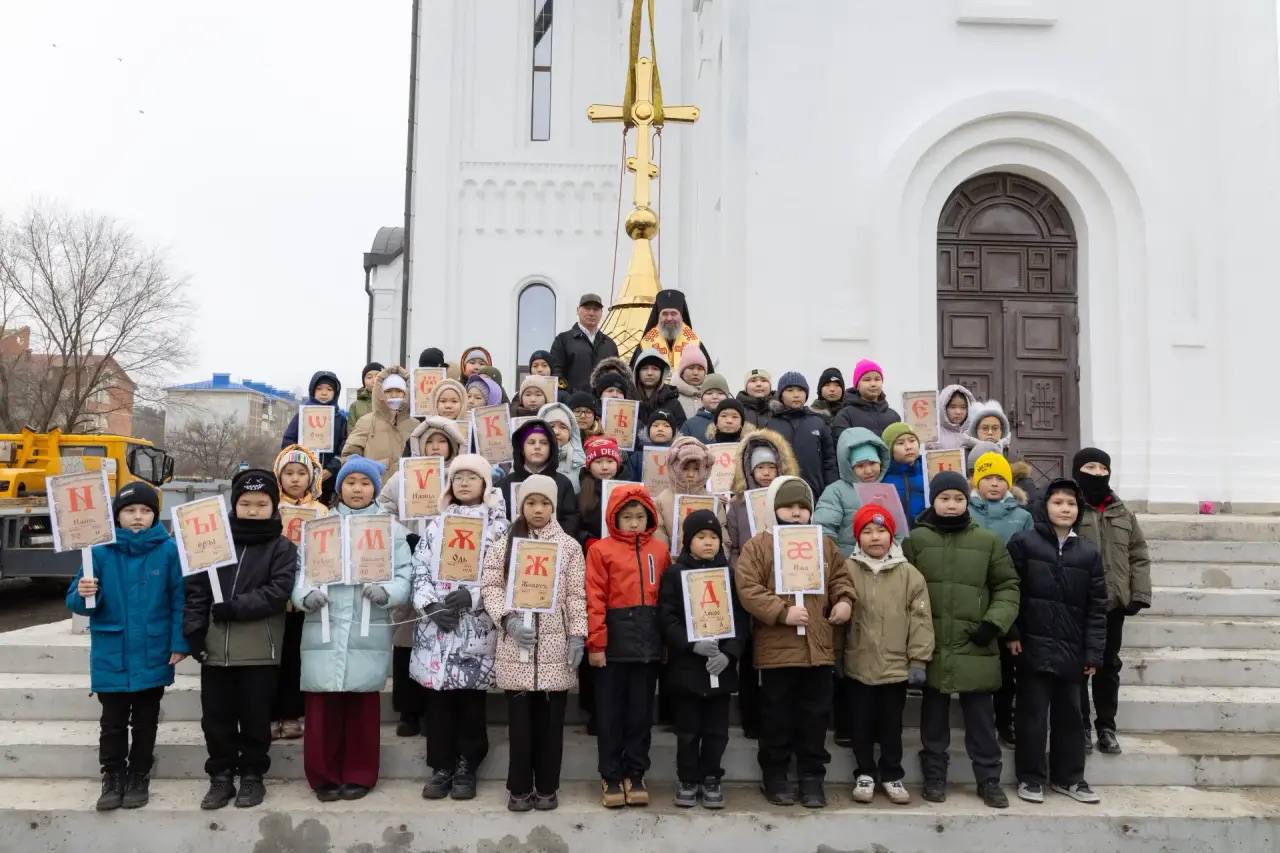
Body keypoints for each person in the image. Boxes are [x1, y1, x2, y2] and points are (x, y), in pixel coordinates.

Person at [292, 455, 412, 802]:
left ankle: (360, 773)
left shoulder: (388, 528)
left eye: (364, 483)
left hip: (366, 622)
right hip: (324, 624)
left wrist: (388, 592)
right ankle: (323, 776)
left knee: (361, 704)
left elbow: (405, 572)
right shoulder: (319, 526)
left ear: (374, 488)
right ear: (339, 487)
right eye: (350, 482)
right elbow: (301, 571)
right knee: (322, 704)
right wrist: (304, 595)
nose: (357, 489)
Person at [65, 482, 188, 812]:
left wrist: (179, 642)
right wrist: (86, 591)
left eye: (146, 511)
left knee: (146, 719)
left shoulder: (169, 550)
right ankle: (113, 775)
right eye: (130, 511)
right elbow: (78, 604)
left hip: (153, 650)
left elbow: (180, 599)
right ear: (117, 516)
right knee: (113, 720)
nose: (137, 517)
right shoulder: (98, 551)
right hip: (112, 652)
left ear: (155, 515)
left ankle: (139, 775)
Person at [734, 476, 855, 808]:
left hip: (818, 650)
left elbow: (841, 578)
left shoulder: (824, 545)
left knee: (815, 717)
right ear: (774, 509)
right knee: (777, 717)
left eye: (803, 507)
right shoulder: (759, 545)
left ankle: (812, 777)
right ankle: (775, 776)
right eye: (788, 506)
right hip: (777, 652)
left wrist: (844, 601)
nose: (796, 513)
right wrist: (782, 612)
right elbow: (748, 587)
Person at [903, 471, 1020, 809]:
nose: (951, 505)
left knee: (981, 720)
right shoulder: (915, 541)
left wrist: (993, 624)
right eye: (944, 499)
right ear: (933, 501)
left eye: (958, 499)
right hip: (933, 644)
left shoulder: (987, 542)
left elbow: (1007, 587)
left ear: (967, 501)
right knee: (933, 718)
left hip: (976, 645)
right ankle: (935, 777)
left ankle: (989, 780)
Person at [183, 469, 297, 810]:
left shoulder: (282, 547)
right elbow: (196, 589)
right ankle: (220, 776)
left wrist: (236, 607)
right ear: (234, 505)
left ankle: (251, 775)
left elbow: (278, 591)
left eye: (261, 504)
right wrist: (193, 630)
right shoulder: (213, 542)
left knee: (254, 716)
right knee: (215, 718)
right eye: (245, 503)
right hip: (217, 648)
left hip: (260, 649)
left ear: (273, 507)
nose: (252, 510)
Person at [481, 475, 588, 812]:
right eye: (531, 503)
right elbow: (491, 587)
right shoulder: (505, 544)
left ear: (554, 506)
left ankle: (546, 786)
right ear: (521, 505)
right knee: (521, 727)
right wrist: (508, 620)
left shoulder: (569, 546)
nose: (538, 510)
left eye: (544, 503)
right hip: (518, 648)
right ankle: (519, 787)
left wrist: (577, 635)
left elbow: (575, 595)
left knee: (551, 726)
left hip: (555, 649)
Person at [413, 454, 510, 801]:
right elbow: (420, 568)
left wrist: (473, 597)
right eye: (458, 478)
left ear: (486, 484)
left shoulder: (500, 527)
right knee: (438, 703)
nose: (464, 483)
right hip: (438, 628)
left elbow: (502, 574)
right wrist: (429, 605)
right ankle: (441, 766)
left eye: (472, 477)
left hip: (475, 628)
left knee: (470, 702)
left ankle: (468, 763)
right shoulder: (437, 524)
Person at [1007, 479, 1107, 805]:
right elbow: (1010, 592)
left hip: (1072, 652)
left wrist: (1093, 652)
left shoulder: (1089, 553)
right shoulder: (1024, 543)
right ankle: (1031, 778)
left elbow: (1096, 609)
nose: (1065, 509)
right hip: (1032, 647)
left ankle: (1070, 778)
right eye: (1058, 502)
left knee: (1071, 718)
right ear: (1045, 507)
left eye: (1071, 504)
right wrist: (1013, 633)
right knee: (1032, 717)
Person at [376, 418, 465, 738]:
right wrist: (404, 537)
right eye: (430, 442)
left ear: (453, 445)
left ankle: (432, 708)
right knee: (407, 636)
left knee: (438, 634)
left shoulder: (460, 478)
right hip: (409, 560)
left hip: (447, 567)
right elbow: (382, 508)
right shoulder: (403, 478)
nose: (436, 447)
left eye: (442, 441)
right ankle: (408, 709)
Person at [587, 484, 671, 808]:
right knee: (610, 714)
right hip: (613, 646)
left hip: (648, 645)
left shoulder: (660, 551)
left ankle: (635, 772)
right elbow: (594, 598)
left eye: (640, 516)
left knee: (640, 714)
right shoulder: (601, 551)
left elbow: (666, 600)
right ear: (614, 518)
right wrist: (596, 643)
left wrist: (664, 643)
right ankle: (610, 773)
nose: (634, 523)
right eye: (627, 517)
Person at [843, 504, 933, 806]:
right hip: (859, 664)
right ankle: (865, 772)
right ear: (858, 538)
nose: (875, 537)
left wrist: (918, 659)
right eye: (867, 532)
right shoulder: (847, 569)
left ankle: (892, 773)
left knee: (891, 724)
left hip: (895, 667)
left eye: (881, 530)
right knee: (861, 723)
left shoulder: (910, 575)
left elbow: (921, 620)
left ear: (891, 535)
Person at [657, 510, 745, 809]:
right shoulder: (675, 574)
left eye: (713, 537)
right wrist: (691, 644)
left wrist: (728, 654)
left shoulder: (729, 575)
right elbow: (666, 618)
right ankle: (687, 778)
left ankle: (712, 777)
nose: (708, 543)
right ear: (687, 541)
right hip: (687, 671)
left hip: (719, 669)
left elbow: (741, 621)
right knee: (688, 731)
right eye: (700, 537)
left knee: (717, 732)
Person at [1073, 446, 1151, 756]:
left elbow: (1138, 554)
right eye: (1089, 468)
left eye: (1102, 469)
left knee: (1108, 666)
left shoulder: (1123, 513)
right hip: (1078, 604)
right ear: (1079, 471)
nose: (1096, 474)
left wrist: (1138, 594)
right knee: (1078, 666)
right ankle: (1080, 726)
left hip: (1112, 605)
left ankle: (1106, 726)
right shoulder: (1070, 507)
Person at [721, 429, 798, 741]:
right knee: (751, 654)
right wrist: (745, 575)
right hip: (750, 588)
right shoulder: (739, 504)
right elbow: (734, 547)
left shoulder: (792, 500)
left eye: (771, 468)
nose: (766, 474)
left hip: (785, 585)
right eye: (760, 469)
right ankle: (751, 719)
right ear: (750, 471)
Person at [968, 450, 1034, 747]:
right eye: (987, 478)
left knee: (1007, 668)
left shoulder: (1023, 517)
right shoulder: (966, 512)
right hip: (971, 597)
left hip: (1008, 598)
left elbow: (1029, 564)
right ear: (976, 481)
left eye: (1000, 478)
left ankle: (1004, 721)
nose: (994, 484)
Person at [271, 446, 328, 742]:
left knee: (296, 656)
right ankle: (271, 713)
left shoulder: (321, 511)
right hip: (274, 597)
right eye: (288, 473)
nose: (295, 479)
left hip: (306, 596)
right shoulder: (269, 507)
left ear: (312, 477)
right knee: (273, 657)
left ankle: (292, 713)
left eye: (301, 473)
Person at [497, 419, 581, 539]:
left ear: (551, 448)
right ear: (521, 449)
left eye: (544, 443)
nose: (537, 447)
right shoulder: (505, 483)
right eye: (531, 442)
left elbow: (570, 519)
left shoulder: (563, 483)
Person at [814, 427, 890, 557]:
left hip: (883, 563)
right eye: (860, 466)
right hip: (848, 562)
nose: (868, 471)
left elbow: (897, 530)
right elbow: (824, 529)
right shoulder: (836, 491)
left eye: (872, 463)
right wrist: (837, 560)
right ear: (848, 467)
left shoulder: (886, 490)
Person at [765, 371, 838, 500]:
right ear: (781, 395)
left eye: (800, 390)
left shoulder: (818, 422)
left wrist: (830, 491)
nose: (796, 394)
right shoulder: (771, 424)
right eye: (790, 390)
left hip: (816, 493)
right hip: (780, 493)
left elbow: (829, 461)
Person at [281, 370, 348, 503]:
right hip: (303, 477)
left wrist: (331, 468)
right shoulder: (302, 415)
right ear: (312, 391)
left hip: (330, 479)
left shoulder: (340, 419)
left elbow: (344, 446)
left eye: (329, 389)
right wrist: (302, 463)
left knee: (325, 513)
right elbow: (288, 442)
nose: (324, 393)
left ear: (335, 393)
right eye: (319, 389)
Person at [341, 366, 415, 479]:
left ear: (406, 393)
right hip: (374, 492)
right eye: (388, 391)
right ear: (380, 393)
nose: (394, 395)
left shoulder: (416, 425)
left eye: (399, 391)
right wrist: (373, 469)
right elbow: (348, 458)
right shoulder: (366, 422)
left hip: (409, 491)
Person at [651, 436, 718, 549]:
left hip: (706, 563)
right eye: (685, 468)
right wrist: (667, 562)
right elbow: (658, 534)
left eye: (696, 469)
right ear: (675, 467)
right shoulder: (661, 500)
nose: (691, 474)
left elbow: (721, 536)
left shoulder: (712, 501)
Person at [546, 293, 619, 394]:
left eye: (596, 309)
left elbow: (616, 378)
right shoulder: (563, 340)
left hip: (601, 405)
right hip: (573, 406)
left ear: (601, 313)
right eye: (587, 308)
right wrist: (566, 396)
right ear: (578, 310)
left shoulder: (610, 345)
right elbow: (556, 374)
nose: (591, 313)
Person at [629, 288, 713, 373]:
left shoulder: (695, 343)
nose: (669, 318)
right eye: (665, 314)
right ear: (659, 316)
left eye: (673, 314)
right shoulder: (646, 344)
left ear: (681, 316)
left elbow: (708, 378)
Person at [831, 359, 901, 441]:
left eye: (877, 379)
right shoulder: (845, 415)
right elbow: (843, 446)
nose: (873, 384)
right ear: (857, 385)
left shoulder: (893, 416)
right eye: (867, 380)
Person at [576, 436, 623, 549]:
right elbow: (575, 526)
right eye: (598, 462)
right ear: (589, 466)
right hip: (592, 551)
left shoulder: (629, 489)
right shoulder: (582, 495)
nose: (605, 467)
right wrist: (587, 540)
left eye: (610, 461)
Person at [881, 422, 927, 528]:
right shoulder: (883, 476)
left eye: (912, 441)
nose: (908, 447)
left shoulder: (927, 471)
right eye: (900, 443)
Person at [538, 402, 586, 494]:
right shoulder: (527, 462)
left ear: (570, 434)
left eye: (563, 427)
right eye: (551, 426)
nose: (556, 432)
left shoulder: (580, 464)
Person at [633, 348, 681, 428]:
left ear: (662, 373)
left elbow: (681, 434)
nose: (649, 373)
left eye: (655, 369)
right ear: (637, 372)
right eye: (644, 368)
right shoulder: (628, 399)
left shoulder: (673, 402)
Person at [680, 374, 731, 440]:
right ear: (701, 398)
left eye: (720, 393)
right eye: (709, 393)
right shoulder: (690, 425)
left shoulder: (737, 421)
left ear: (727, 397)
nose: (715, 397)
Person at [933, 384, 976, 451]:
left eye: (963, 407)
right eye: (953, 407)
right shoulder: (933, 435)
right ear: (943, 408)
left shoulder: (968, 436)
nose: (958, 412)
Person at [672, 348, 710, 420]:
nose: (695, 373)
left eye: (700, 369)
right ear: (682, 371)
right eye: (691, 368)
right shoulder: (672, 396)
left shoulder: (714, 396)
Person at [347, 361, 384, 427]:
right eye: (369, 377)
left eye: (378, 376)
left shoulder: (391, 402)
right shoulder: (355, 406)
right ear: (364, 382)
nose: (374, 380)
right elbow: (351, 432)